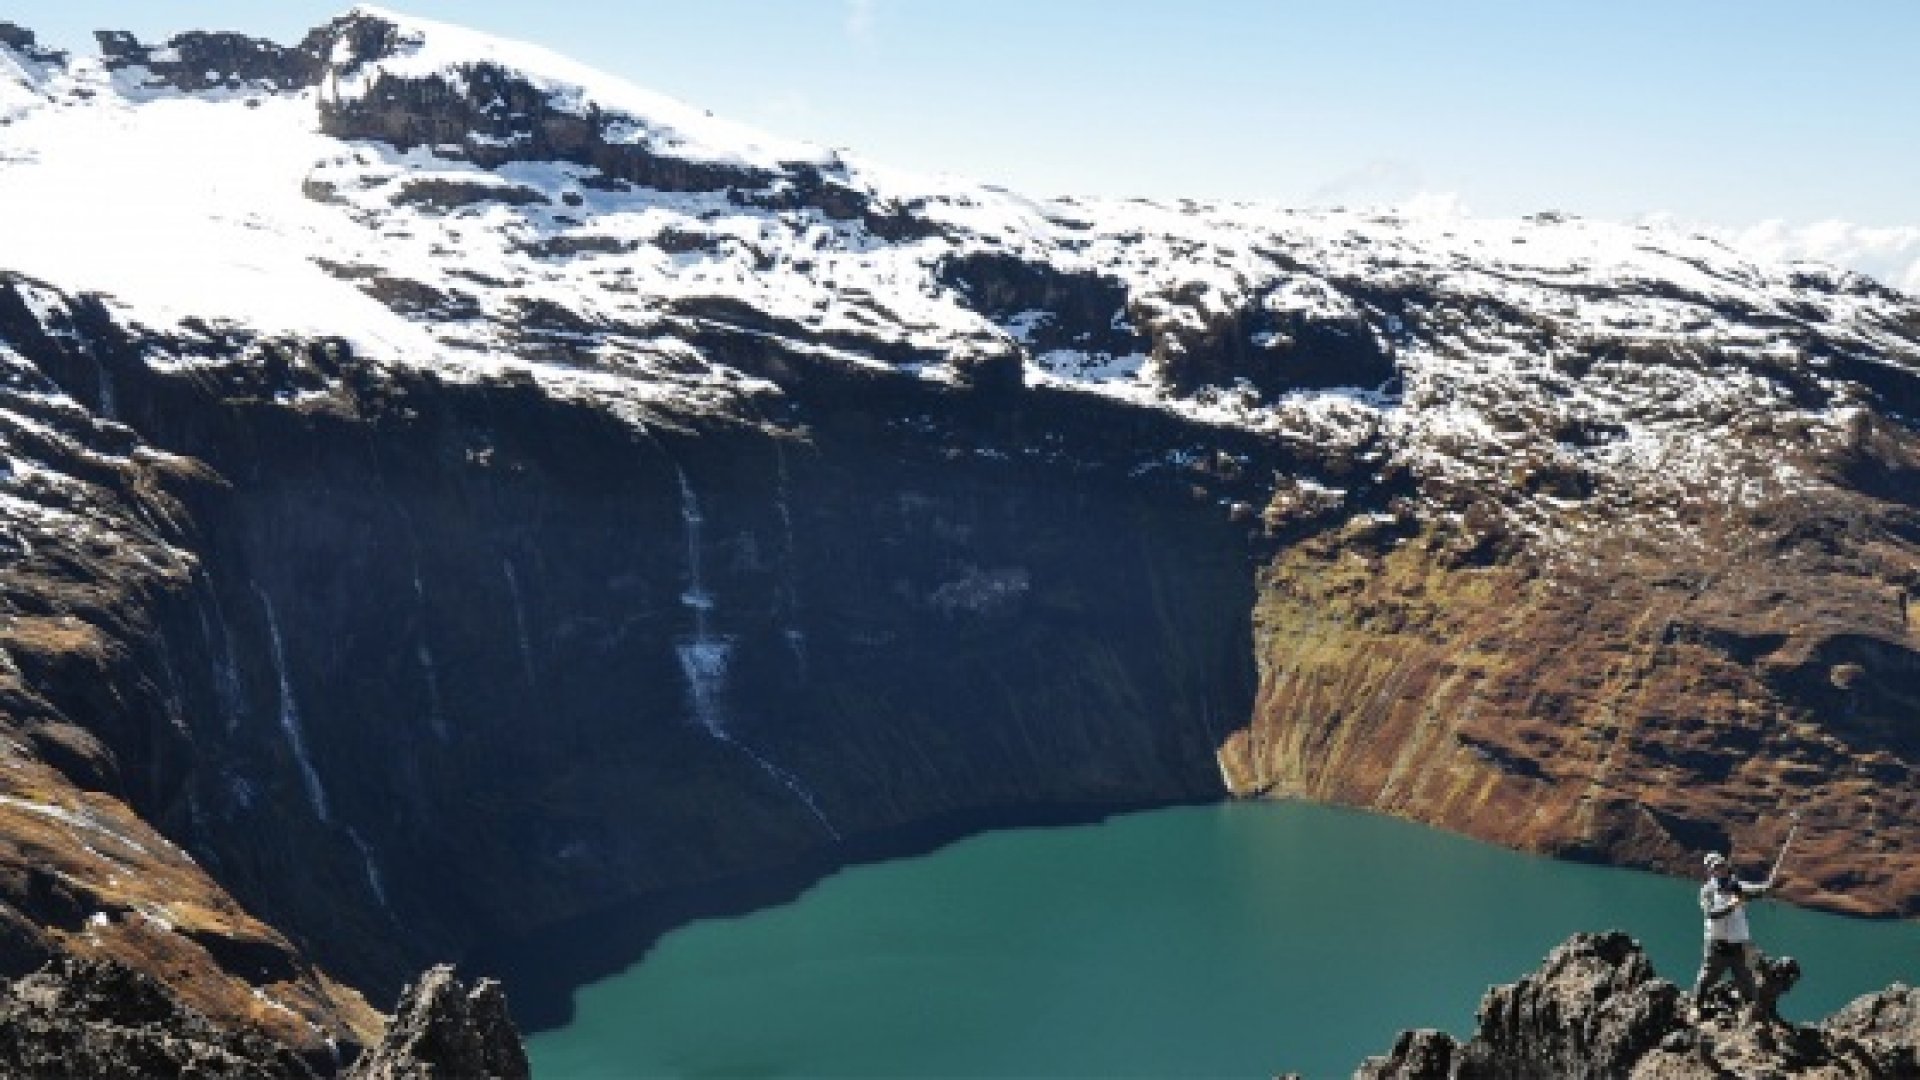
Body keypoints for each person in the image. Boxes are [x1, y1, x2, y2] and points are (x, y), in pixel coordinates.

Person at [1691, 851, 1773, 1021]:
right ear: (1710, 871)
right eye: (1715, 868)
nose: (1719, 869)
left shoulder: (1738, 886)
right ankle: (1696, 1007)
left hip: (1740, 946)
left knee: (1747, 981)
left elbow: (1754, 890)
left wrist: (1765, 887)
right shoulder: (1707, 891)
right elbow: (1711, 914)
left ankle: (1754, 1015)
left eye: (1721, 865)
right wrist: (1732, 905)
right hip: (1717, 945)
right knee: (1706, 978)